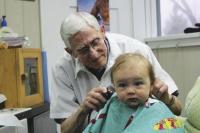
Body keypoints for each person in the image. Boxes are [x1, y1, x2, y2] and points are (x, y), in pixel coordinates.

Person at [49, 12, 182, 133]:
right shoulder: (62, 70)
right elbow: (65, 130)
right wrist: (83, 109)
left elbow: (177, 111)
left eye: (96, 42)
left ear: (102, 31)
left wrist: (166, 98)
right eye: (83, 50)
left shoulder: (138, 51)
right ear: (70, 52)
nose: (94, 54)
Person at [83, 53, 184, 133]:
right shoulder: (112, 104)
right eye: (122, 85)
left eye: (138, 83)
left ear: (151, 84)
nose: (130, 91)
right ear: (114, 86)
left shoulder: (157, 109)